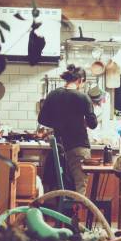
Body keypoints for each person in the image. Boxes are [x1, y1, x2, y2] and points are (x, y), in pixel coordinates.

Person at [38, 64, 98, 195]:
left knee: (65, 185)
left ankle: (66, 213)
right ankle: (78, 215)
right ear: (80, 80)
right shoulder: (83, 98)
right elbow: (93, 124)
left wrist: (59, 123)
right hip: (78, 146)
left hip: (60, 147)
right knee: (80, 186)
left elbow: (42, 119)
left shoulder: (53, 95)